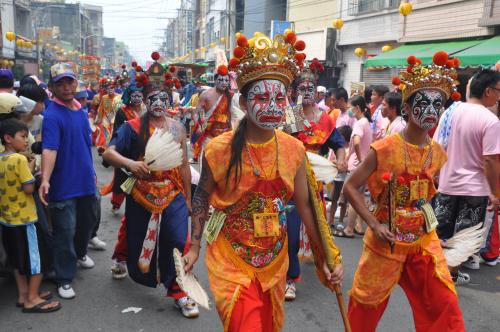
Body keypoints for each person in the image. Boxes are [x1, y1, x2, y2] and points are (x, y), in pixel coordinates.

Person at [183, 32, 343, 331]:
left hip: (274, 257)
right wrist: (193, 246)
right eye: (261, 97)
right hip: (231, 256)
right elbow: (202, 198)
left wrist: (324, 256)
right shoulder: (219, 149)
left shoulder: (293, 148)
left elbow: (306, 206)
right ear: (243, 102)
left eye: (280, 98)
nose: (272, 106)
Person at [343, 52, 465, 332]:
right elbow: (350, 187)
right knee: (365, 305)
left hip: (423, 241)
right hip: (386, 240)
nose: (431, 111)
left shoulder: (437, 153)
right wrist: (373, 224)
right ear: (408, 108)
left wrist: (435, 229)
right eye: (424, 103)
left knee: (444, 302)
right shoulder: (384, 148)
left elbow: (427, 198)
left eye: (438, 104)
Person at [102, 52, 197, 318]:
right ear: (144, 100)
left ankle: (179, 291)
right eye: (153, 98)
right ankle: (124, 259)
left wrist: (188, 199)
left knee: (179, 239)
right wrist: (130, 164)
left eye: (163, 98)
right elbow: (109, 153)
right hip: (142, 193)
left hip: (173, 191)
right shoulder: (132, 127)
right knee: (137, 237)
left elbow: (183, 166)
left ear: (170, 100)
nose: (159, 103)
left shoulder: (178, 128)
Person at [284, 58, 346, 301]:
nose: (307, 92)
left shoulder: (325, 118)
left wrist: (341, 159)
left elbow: (338, 144)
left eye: (310, 88)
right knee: (289, 231)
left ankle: (330, 266)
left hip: (316, 184)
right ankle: (290, 278)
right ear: (294, 91)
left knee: (321, 231)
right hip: (291, 184)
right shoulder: (291, 115)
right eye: (302, 88)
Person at [433, 68, 500, 284]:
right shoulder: (490, 121)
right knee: (465, 239)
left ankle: (437, 275)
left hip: (447, 184)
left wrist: (435, 175)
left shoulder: (450, 112)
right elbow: (490, 160)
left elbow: (437, 145)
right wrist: (495, 193)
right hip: (474, 189)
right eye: (499, 91)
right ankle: (446, 277)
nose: (499, 96)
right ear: (488, 91)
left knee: (440, 236)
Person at [39, 63, 98, 299]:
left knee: (87, 223)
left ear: (76, 84)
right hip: (63, 185)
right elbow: (49, 150)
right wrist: (45, 179)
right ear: (52, 87)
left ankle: (80, 253)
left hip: (85, 181)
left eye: (69, 82)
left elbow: (85, 146)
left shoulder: (80, 111)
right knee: (65, 231)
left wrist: (92, 172)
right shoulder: (52, 115)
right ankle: (64, 278)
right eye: (60, 83)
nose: (66, 87)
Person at [0, 118, 61, 313]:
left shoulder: (1, 159)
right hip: (26, 220)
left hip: (7, 220)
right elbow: (28, 188)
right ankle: (32, 299)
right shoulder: (19, 159)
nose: (27, 141)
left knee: (18, 260)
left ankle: (22, 295)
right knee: (37, 259)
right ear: (8, 138)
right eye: (23, 137)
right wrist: (33, 167)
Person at [191, 65, 239, 163]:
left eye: (226, 80)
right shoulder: (205, 94)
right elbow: (197, 112)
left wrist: (235, 129)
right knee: (208, 161)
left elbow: (235, 115)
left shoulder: (231, 96)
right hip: (209, 134)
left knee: (224, 164)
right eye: (221, 80)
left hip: (226, 135)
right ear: (215, 80)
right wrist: (200, 124)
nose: (224, 83)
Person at [342, 96, 373, 237]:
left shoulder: (360, 123)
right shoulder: (366, 122)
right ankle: (359, 226)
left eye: (351, 107)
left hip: (356, 165)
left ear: (358, 108)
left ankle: (349, 228)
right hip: (362, 164)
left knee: (353, 198)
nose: (349, 110)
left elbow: (356, 142)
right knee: (359, 197)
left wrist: (360, 159)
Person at [329, 125, 352, 230]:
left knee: (343, 202)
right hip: (336, 178)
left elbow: (347, 165)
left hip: (345, 179)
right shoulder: (334, 149)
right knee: (333, 199)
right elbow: (331, 160)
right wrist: (338, 163)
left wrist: (339, 163)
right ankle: (330, 220)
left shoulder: (349, 150)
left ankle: (341, 221)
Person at [95, 77, 121, 155]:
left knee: (113, 132)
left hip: (115, 117)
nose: (110, 90)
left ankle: (111, 149)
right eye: (108, 89)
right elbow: (101, 109)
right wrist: (99, 118)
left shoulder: (119, 97)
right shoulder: (104, 97)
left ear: (114, 89)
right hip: (106, 117)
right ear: (106, 89)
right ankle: (104, 148)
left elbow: (120, 109)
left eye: (112, 88)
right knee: (105, 132)